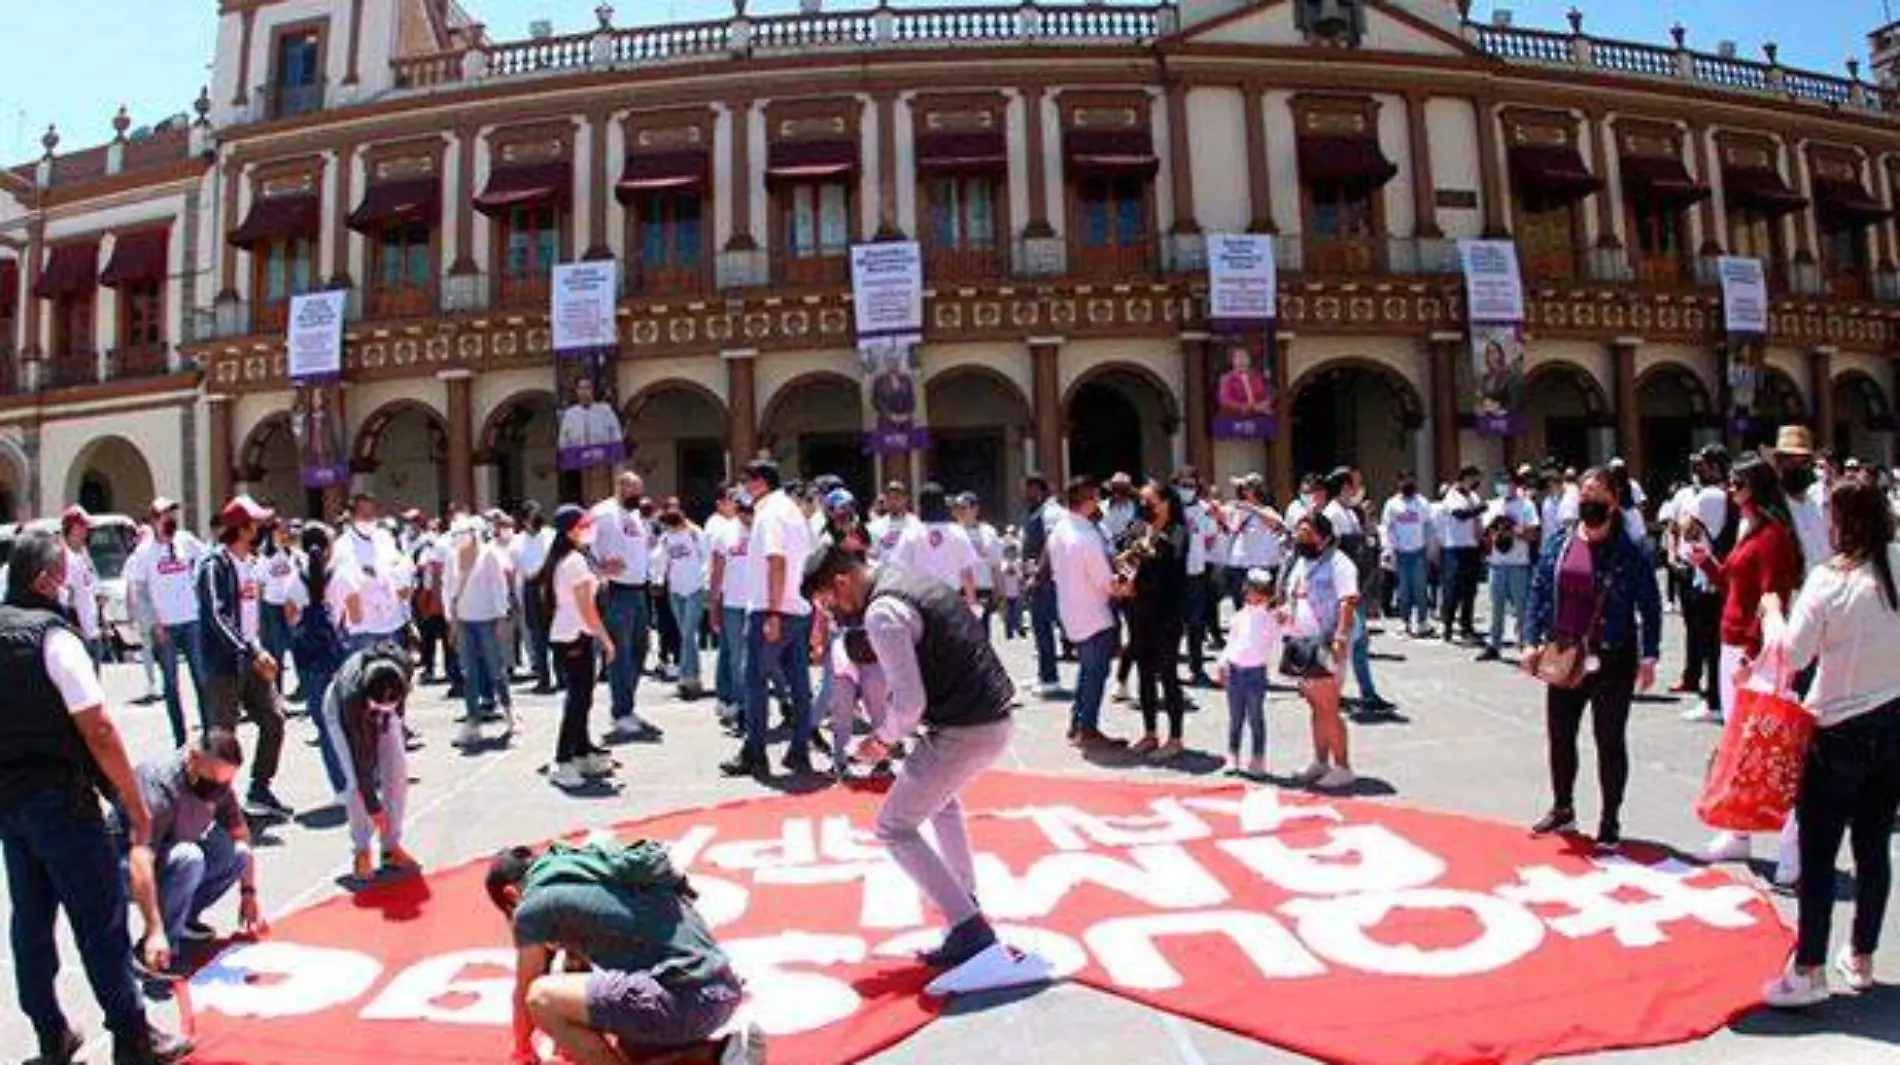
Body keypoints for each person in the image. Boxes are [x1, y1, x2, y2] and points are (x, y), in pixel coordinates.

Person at [0, 530, 193, 1065]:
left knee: (31, 922)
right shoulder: (52, 638)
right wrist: (132, 803)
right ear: (43, 581)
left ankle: (50, 1034)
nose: (70, 585)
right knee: (101, 918)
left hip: (11, 804)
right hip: (61, 801)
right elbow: (100, 729)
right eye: (64, 575)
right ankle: (133, 1037)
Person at [801, 543, 1019, 977]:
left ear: (842, 582)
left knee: (894, 827)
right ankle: (966, 898)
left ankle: (968, 929)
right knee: (942, 801)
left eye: (828, 604)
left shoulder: (882, 613)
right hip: (994, 716)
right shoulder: (902, 577)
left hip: (965, 728)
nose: (832, 615)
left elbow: (909, 705)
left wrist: (880, 741)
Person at [1757, 480, 1900, 1008]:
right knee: (1873, 847)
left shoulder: (1826, 580)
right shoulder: (1895, 564)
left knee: (1819, 854)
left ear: (1841, 521)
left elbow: (1792, 656)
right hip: (1893, 722)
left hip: (1836, 729)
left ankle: (1809, 969)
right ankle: (1860, 956)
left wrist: (1772, 611)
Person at [485, 839, 760, 1065]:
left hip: (684, 1001)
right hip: (720, 990)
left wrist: (522, 1050)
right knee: (626, 1048)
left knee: (541, 997)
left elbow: (525, 991)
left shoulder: (533, 905)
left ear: (511, 895)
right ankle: (719, 1055)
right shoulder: (589, 868)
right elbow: (581, 981)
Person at [1521, 467, 1664, 853]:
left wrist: (1650, 656)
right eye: (1584, 496)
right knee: (1560, 735)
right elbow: (1537, 590)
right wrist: (1530, 641)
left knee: (1609, 739)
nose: (1589, 503)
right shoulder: (1560, 543)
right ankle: (1563, 806)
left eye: (1597, 496)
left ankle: (1610, 819)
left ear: (1615, 502)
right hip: (1565, 653)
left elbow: (1650, 606)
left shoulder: (1630, 551)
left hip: (1613, 655)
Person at [1692, 455, 1805, 866]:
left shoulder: (1773, 535)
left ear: (1754, 487)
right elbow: (1733, 584)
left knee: (1771, 746)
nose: (1730, 490)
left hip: (1754, 652)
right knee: (1737, 743)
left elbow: (1773, 597)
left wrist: (1755, 655)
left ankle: (1793, 844)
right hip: (1731, 643)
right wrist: (1705, 561)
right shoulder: (1748, 528)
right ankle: (1737, 831)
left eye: (1737, 484)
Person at [123, 729, 265, 965]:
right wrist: (154, 929)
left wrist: (248, 893)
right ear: (193, 758)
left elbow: (240, 834)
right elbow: (141, 855)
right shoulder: (160, 785)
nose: (217, 791)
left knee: (236, 854)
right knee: (190, 857)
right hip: (126, 864)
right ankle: (158, 947)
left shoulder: (216, 782)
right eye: (212, 780)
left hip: (171, 852)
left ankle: (182, 918)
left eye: (225, 783)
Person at [197, 495, 293, 819]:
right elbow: (216, 614)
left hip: (251, 659)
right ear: (243, 528)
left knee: (274, 719)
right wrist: (249, 651)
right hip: (225, 666)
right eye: (256, 524)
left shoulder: (251, 563)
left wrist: (260, 650)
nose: (261, 529)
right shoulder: (214, 565)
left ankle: (260, 788)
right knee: (222, 739)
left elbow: (253, 616)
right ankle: (211, 804)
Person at [721, 460, 818, 778]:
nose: (744, 489)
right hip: (798, 608)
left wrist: (774, 611)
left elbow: (776, 561)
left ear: (761, 482)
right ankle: (799, 751)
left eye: (747, 481)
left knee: (755, 682)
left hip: (771, 608)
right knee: (799, 685)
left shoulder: (770, 513)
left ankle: (756, 752)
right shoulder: (793, 512)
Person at [538, 506, 618, 790]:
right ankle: (563, 759)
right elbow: (586, 607)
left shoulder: (573, 558)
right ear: (571, 529)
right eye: (584, 525)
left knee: (582, 697)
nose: (589, 529)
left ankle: (582, 750)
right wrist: (606, 639)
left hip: (573, 633)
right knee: (577, 700)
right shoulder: (574, 561)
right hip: (574, 635)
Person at [327, 643, 422, 881]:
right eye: (379, 705)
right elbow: (363, 766)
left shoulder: (402, 669)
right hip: (342, 713)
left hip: (379, 700)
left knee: (397, 772)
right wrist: (374, 808)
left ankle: (391, 847)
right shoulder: (352, 699)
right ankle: (362, 850)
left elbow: (395, 708)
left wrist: (391, 718)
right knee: (355, 782)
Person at [1048, 476, 1127, 751]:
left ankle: (1077, 724)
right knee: (1095, 673)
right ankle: (1088, 728)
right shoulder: (1087, 536)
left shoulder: (1060, 529)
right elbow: (1105, 582)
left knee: (1086, 670)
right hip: (1094, 611)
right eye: (1095, 497)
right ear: (1088, 501)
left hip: (1070, 608)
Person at [1284, 512, 1360, 791]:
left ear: (1324, 536)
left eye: (1306, 533)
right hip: (1301, 641)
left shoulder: (1339, 563)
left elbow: (1347, 601)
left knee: (1328, 706)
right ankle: (1320, 760)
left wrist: (1340, 637)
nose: (1300, 538)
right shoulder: (1301, 562)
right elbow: (1295, 595)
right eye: (1298, 533)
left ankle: (1343, 766)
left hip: (1325, 641)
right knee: (1315, 704)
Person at [127, 497, 207, 747]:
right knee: (171, 685)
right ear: (154, 520)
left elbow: (207, 559)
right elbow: (141, 592)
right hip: (166, 626)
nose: (171, 519)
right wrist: (154, 624)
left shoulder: (185, 541)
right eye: (165, 515)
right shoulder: (144, 553)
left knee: (201, 678)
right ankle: (180, 739)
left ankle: (209, 732)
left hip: (191, 619)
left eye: (173, 514)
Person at [1125, 479, 1192, 762]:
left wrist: (1147, 544)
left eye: (1149, 501)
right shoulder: (1138, 527)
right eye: (1142, 501)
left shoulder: (1179, 531)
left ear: (1165, 502)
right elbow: (1126, 558)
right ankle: (1150, 732)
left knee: (1167, 673)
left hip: (1167, 610)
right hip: (1139, 609)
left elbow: (1167, 562)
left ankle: (1175, 738)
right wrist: (1124, 577)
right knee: (1144, 671)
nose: (1144, 506)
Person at [594, 472, 663, 742]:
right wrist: (599, 567)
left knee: (640, 648)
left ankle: (627, 704)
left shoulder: (636, 516)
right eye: (634, 489)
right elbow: (579, 543)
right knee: (619, 652)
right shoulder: (602, 513)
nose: (638, 495)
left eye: (640, 489)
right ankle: (621, 711)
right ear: (620, 487)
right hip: (615, 591)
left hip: (638, 590)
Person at [284, 523, 351, 799]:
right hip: (337, 654)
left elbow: (289, 616)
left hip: (309, 658)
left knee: (324, 723)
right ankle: (358, 778)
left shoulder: (294, 580)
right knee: (347, 719)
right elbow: (356, 614)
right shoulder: (340, 577)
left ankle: (340, 786)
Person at [1673, 446, 1733, 716]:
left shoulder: (1708, 496)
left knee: (1709, 642)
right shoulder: (1728, 496)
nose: (1699, 470)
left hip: (1707, 575)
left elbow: (1688, 530)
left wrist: (1686, 518)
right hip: (1723, 574)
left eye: (1704, 465)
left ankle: (1715, 700)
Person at [450, 515, 518, 747]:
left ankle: (509, 712)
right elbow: (449, 589)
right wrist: (453, 621)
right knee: (468, 671)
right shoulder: (454, 556)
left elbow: (498, 586)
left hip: (487, 620)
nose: (459, 540)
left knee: (495, 668)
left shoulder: (488, 554)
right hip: (464, 620)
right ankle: (472, 721)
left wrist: (501, 617)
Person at [1217, 568, 1282, 780]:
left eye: (1258, 591)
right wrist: (1223, 662)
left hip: (1256, 672)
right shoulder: (1239, 617)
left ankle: (1258, 757)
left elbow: (1283, 632)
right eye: (1250, 590)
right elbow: (1231, 642)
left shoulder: (1270, 617)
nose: (1251, 594)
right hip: (1235, 670)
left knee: (1256, 717)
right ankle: (1232, 754)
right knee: (1235, 717)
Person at [332, 493, 412, 655]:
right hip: (363, 629)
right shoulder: (342, 547)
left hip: (393, 623)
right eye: (364, 514)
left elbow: (400, 567)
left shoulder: (384, 539)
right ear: (352, 516)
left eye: (371, 513)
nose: (369, 519)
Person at [1477, 469, 1541, 662]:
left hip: (1518, 563)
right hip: (1497, 563)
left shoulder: (1526, 505)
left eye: (1507, 482)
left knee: (1522, 607)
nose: (1503, 486)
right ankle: (1494, 645)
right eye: (1500, 482)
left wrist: (1514, 530)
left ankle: (1525, 645)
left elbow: (1533, 534)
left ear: (1516, 484)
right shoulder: (1493, 505)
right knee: (1496, 606)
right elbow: (1485, 533)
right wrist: (1492, 534)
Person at [888, 483, 980, 605]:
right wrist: (972, 602)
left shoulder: (911, 533)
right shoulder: (957, 532)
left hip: (920, 601)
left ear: (920, 506)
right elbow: (967, 573)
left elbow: (899, 571)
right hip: (950, 600)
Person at [708, 489, 754, 732]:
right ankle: (741, 706)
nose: (748, 515)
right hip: (733, 605)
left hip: (759, 604)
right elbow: (717, 572)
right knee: (738, 659)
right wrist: (713, 605)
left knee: (761, 661)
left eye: (751, 510)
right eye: (743, 510)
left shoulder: (764, 529)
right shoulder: (724, 532)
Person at [658, 504, 710, 701]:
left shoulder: (695, 533)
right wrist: (658, 578)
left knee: (688, 634)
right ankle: (694, 677)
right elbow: (661, 559)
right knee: (685, 635)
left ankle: (684, 678)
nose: (666, 530)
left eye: (668, 526)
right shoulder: (665, 538)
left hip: (694, 588)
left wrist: (706, 584)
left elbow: (707, 558)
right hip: (676, 589)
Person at [1019, 474, 1064, 696]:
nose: (1025, 495)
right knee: (1039, 628)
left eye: (1028, 490)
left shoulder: (1051, 511)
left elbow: (1051, 543)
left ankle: (1051, 678)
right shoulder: (1037, 511)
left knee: (1045, 628)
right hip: (1037, 579)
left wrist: (1038, 574)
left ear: (1038, 489)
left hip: (1046, 581)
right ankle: (1044, 674)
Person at [1772, 425, 1832, 574]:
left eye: (1802, 463)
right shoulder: (1773, 507)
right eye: (1790, 463)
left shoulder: (1823, 499)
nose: (1797, 468)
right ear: (1779, 464)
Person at [1382, 473, 1434, 637]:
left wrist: (1430, 548)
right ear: (1399, 483)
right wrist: (1388, 549)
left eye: (1410, 480)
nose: (1407, 483)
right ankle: (1404, 622)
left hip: (1419, 551)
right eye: (1404, 480)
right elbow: (1387, 528)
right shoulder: (1392, 504)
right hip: (1400, 552)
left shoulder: (1422, 503)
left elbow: (1428, 526)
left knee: (1420, 588)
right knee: (1403, 589)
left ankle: (1422, 622)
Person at [1438, 467, 1486, 643]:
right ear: (1464, 478)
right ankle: (1448, 625)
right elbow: (1459, 514)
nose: (1475, 482)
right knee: (1453, 589)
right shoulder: (1452, 496)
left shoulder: (1473, 497)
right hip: (1455, 549)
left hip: (1472, 547)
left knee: (1470, 590)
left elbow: (1479, 521)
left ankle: (1467, 626)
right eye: (1473, 478)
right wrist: (1479, 510)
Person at [514, 504, 558, 695]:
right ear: (525, 521)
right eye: (533, 517)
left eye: (539, 515)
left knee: (558, 635)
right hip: (532, 588)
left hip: (553, 587)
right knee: (538, 637)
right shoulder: (518, 542)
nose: (538, 519)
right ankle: (543, 679)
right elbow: (524, 569)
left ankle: (562, 677)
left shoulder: (551, 534)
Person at [259, 521, 302, 697]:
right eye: (280, 532)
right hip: (273, 608)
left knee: (298, 649)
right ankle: (276, 694)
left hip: (292, 606)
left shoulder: (294, 555)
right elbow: (260, 588)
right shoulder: (265, 558)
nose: (285, 536)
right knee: (276, 654)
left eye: (286, 532)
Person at [59, 506, 105, 664]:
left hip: (93, 630)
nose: (86, 530)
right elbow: (66, 600)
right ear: (72, 528)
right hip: (78, 634)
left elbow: (92, 584)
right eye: (82, 526)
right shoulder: (64, 558)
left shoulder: (83, 553)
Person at [956, 493, 1005, 640]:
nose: (961, 511)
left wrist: (999, 589)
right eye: (959, 508)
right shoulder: (954, 532)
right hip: (960, 589)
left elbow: (995, 563)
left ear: (975, 509)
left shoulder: (988, 532)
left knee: (982, 632)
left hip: (983, 588)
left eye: (965, 507)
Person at [557, 374, 626, 454]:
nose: (584, 392)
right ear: (576, 391)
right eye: (581, 388)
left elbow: (616, 436)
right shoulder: (569, 414)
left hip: (602, 460)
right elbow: (563, 442)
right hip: (578, 461)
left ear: (592, 390)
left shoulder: (605, 411)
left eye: (587, 388)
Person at [1216, 343, 1273, 418]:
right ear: (1233, 361)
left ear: (1249, 359)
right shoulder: (1227, 378)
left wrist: (1266, 403)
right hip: (1235, 419)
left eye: (1244, 357)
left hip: (1258, 418)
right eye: (1238, 357)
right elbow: (1225, 400)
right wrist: (1249, 407)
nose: (1241, 360)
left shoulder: (1257, 376)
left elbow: (1265, 393)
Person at [866, 480, 915, 562]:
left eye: (896, 498)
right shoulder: (874, 527)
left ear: (905, 499)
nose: (893, 502)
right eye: (889, 498)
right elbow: (871, 554)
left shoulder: (916, 526)